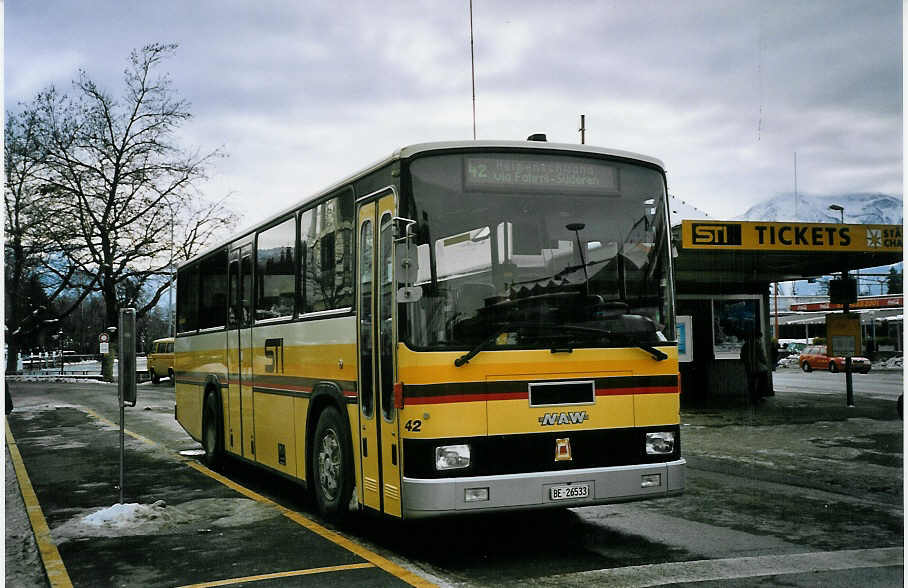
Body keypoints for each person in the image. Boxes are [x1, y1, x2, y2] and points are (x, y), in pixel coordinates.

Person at [741, 331, 770, 404]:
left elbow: (742, 356)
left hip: (749, 367)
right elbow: (762, 357)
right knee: (762, 382)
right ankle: (758, 397)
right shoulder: (757, 345)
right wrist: (765, 363)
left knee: (751, 383)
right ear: (758, 337)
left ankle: (753, 398)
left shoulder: (745, 345)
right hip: (759, 368)